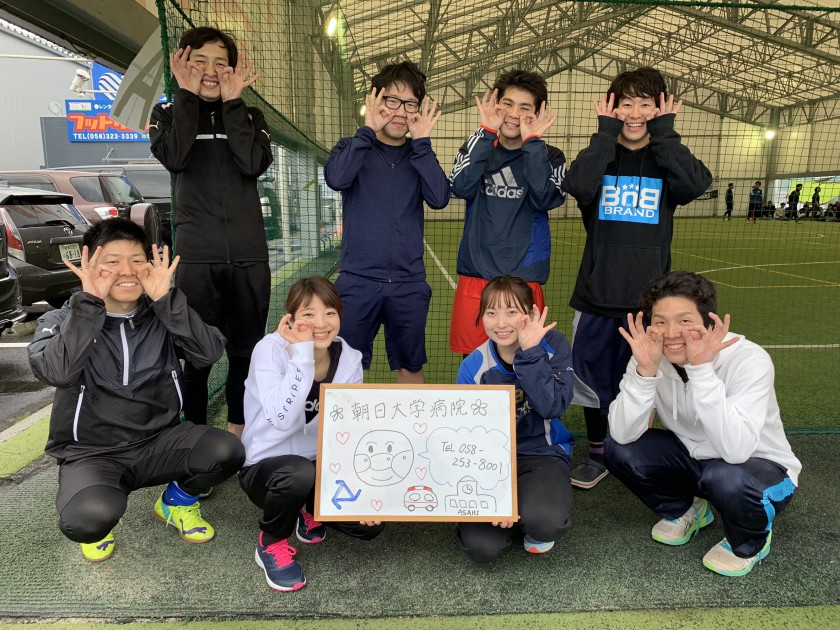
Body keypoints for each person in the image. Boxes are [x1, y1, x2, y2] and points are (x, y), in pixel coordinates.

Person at [28, 218, 245, 562]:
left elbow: (208, 353)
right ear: (89, 264)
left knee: (226, 450)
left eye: (137, 260)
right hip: (94, 453)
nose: (127, 271)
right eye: (112, 261)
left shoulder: (162, 312)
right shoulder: (62, 319)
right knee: (87, 519)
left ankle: (175, 502)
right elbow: (57, 372)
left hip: (160, 441)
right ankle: (101, 512)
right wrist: (89, 304)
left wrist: (166, 300)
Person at [561, 67, 712, 489]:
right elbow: (578, 186)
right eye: (625, 103)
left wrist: (666, 134)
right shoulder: (601, 155)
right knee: (593, 383)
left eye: (646, 104)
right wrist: (603, 134)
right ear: (611, 108)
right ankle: (598, 453)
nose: (635, 112)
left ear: (659, 110)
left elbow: (696, 184)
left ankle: (635, 453)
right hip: (596, 295)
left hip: (650, 304)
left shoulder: (665, 160)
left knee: (648, 380)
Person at [605, 271, 801, 577]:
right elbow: (621, 433)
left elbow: (736, 450)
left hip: (759, 467)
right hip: (695, 460)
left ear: (709, 322)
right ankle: (687, 510)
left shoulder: (750, 359)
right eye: (660, 322)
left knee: (726, 477)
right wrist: (645, 372)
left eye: (685, 320)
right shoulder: (650, 355)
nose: (671, 333)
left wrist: (701, 370)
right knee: (618, 449)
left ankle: (749, 541)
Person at [150, 26, 273, 439]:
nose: (210, 70)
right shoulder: (168, 115)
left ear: (233, 70)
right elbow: (176, 157)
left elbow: (253, 163)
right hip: (197, 260)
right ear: (182, 64)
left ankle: (237, 436)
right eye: (199, 60)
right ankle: (196, 442)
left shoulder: (250, 117)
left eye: (221, 63)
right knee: (197, 357)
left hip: (249, 258)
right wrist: (185, 97)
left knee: (244, 354)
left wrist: (233, 103)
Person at [239, 276, 384, 591]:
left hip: (322, 467)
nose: (321, 323)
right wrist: (302, 354)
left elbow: (349, 429)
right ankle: (271, 544)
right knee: (299, 472)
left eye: (330, 313)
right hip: (267, 470)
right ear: (290, 318)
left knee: (368, 525)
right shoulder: (269, 350)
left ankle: (309, 510)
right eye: (308, 314)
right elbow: (280, 418)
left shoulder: (350, 359)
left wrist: (366, 492)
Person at [324, 61, 450, 385]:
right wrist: (367, 131)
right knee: (342, 367)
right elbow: (336, 178)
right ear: (375, 100)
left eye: (410, 104)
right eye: (392, 101)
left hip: (408, 283)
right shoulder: (352, 146)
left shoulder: (419, 154)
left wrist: (422, 143)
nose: (400, 111)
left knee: (411, 365)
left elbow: (439, 197)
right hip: (357, 281)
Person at [455, 275, 574, 562]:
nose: (500, 323)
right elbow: (466, 435)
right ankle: (513, 512)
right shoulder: (473, 365)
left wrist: (530, 352)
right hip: (487, 460)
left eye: (511, 312)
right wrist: (495, 491)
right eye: (491, 312)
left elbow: (552, 407)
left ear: (532, 313)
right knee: (483, 548)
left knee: (545, 522)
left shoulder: (554, 346)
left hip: (541, 454)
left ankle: (533, 512)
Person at [448, 70, 566, 356]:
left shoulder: (550, 155)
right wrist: (486, 133)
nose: (514, 114)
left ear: (538, 113)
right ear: (496, 105)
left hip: (524, 280)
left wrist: (532, 142)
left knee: (525, 364)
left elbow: (545, 198)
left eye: (525, 108)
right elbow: (460, 187)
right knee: (476, 366)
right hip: (477, 275)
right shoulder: (478, 144)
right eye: (508, 104)